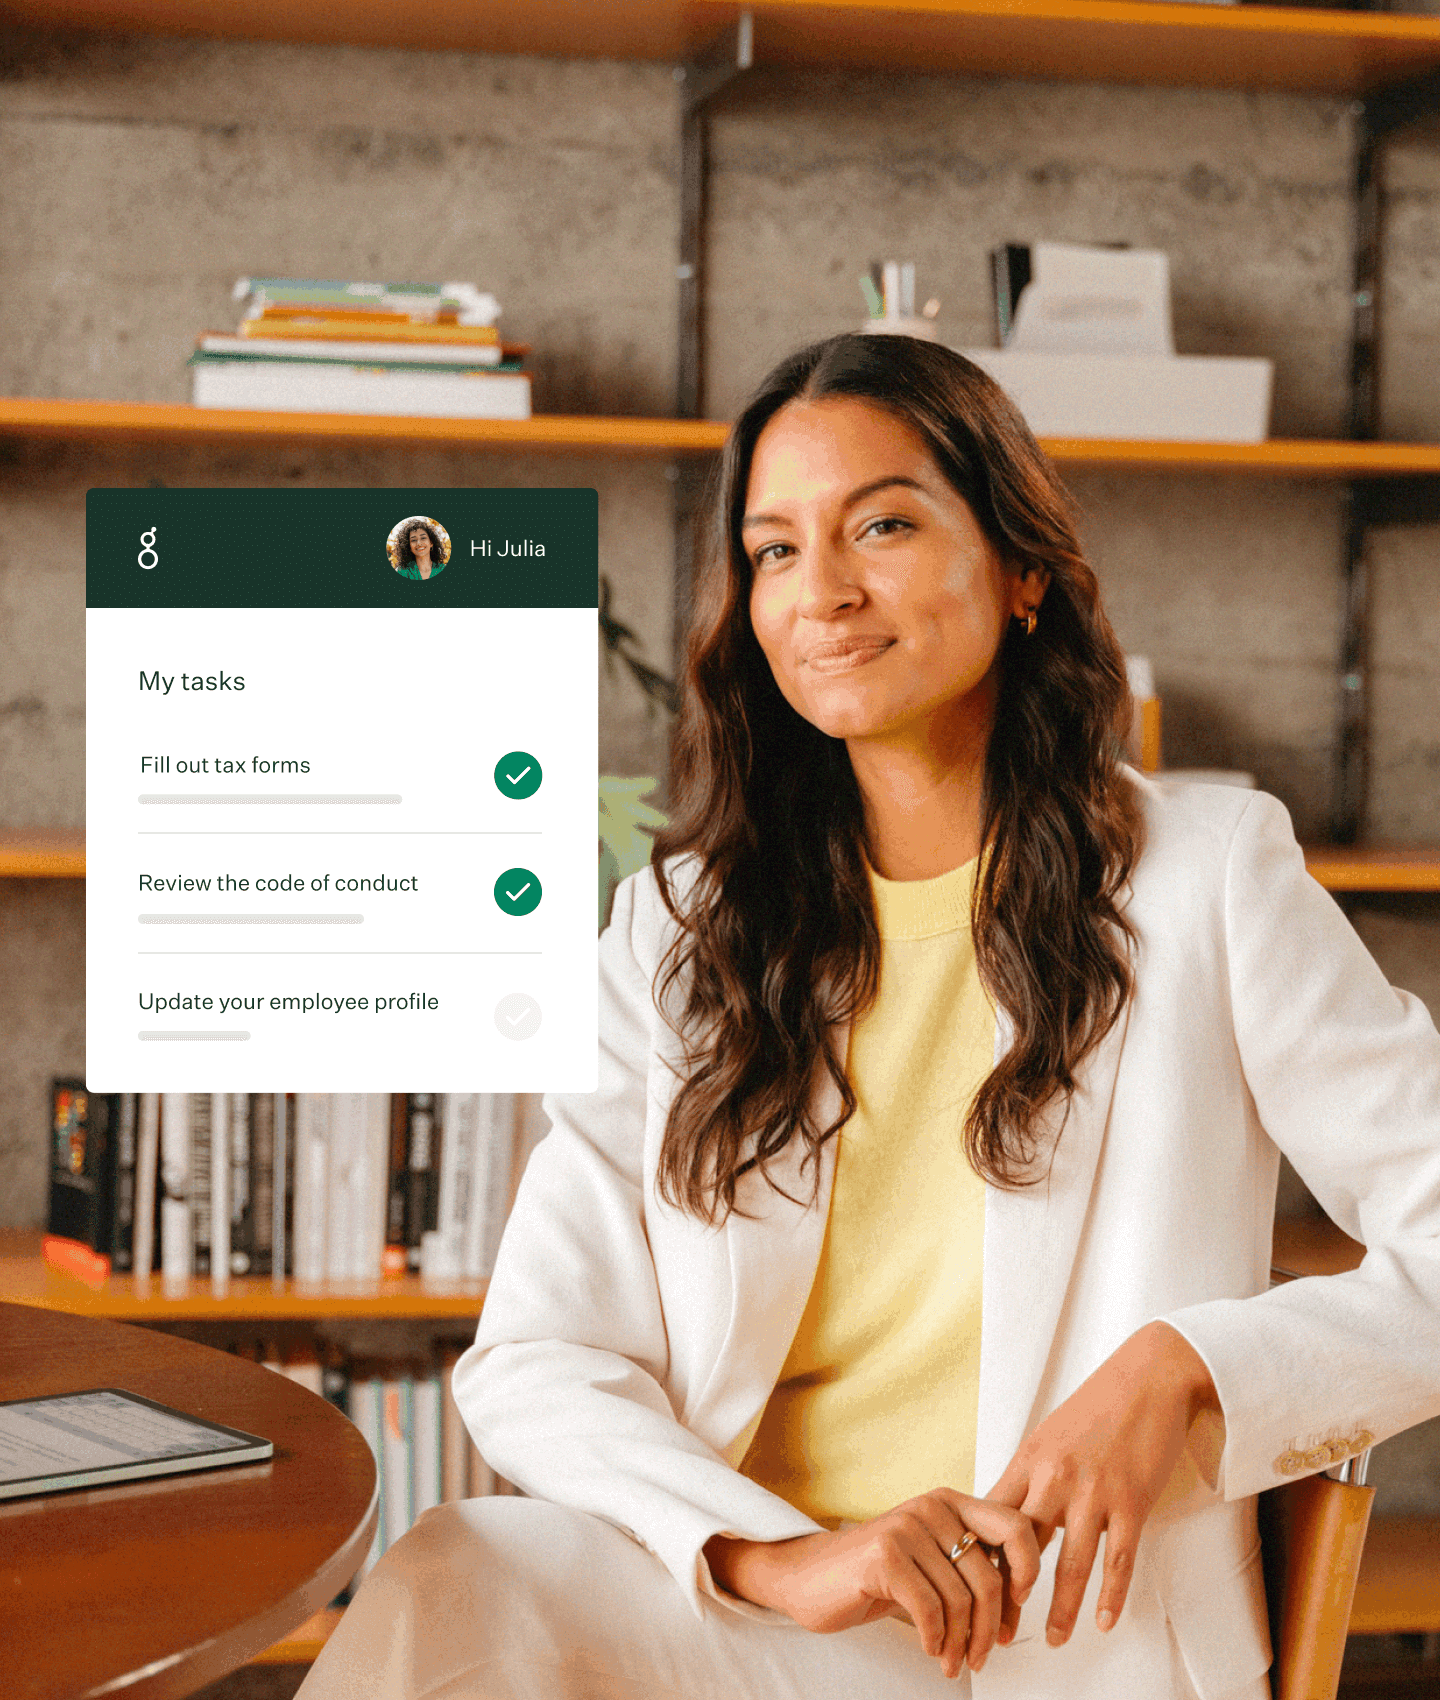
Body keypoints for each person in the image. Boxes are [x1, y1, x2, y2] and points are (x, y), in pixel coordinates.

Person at [296, 335, 1440, 1700]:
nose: (823, 591)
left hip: (1069, 1644)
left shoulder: (1211, 876)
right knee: (461, 1567)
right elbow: (541, 1349)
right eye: (775, 551)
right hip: (783, 1619)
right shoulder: (681, 931)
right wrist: (782, 1560)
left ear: (1021, 570)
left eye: (882, 525)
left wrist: (1186, 1369)